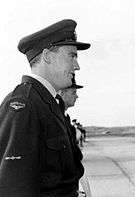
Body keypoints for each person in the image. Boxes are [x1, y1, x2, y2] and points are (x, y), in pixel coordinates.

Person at [0, 19, 90, 197]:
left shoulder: (50, 103)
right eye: (72, 56)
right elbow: (14, 187)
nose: (77, 65)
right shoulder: (24, 105)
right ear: (48, 56)